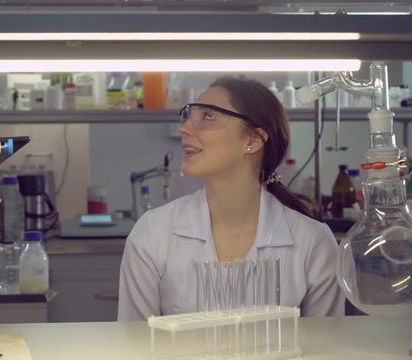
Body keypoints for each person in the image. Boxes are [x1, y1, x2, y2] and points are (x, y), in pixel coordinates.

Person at [118, 76, 345, 320]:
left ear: (252, 140)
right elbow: (135, 344)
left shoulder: (313, 243)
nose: (183, 129)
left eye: (207, 117)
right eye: (189, 116)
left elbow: (326, 347)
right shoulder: (153, 233)